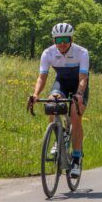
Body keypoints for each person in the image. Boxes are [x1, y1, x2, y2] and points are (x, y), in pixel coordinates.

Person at [27, 23, 89, 178]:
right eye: (58, 39)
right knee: (51, 103)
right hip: (61, 81)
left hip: (78, 85)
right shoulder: (48, 53)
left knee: (75, 117)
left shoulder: (82, 52)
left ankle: (76, 158)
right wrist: (35, 94)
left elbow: (83, 78)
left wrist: (79, 94)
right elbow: (42, 77)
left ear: (71, 39)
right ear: (54, 40)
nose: (62, 43)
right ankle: (57, 139)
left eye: (65, 39)